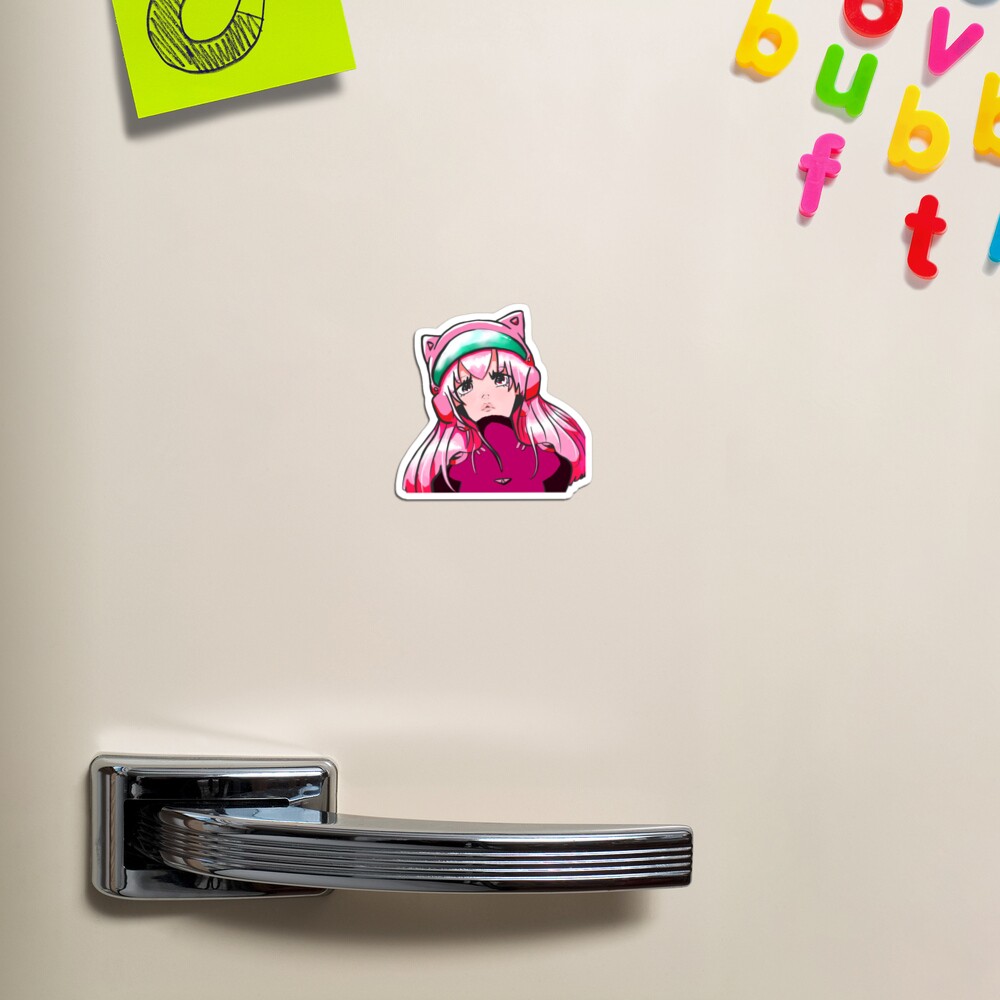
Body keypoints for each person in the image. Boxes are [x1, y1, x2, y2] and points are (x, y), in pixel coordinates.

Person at [396, 306, 590, 497]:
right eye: (466, 386)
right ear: (448, 404)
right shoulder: (449, 474)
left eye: (499, 379)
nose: (485, 395)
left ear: (525, 384)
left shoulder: (550, 459)